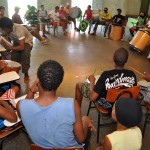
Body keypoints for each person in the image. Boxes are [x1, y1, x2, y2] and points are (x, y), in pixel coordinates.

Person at [16, 60, 95, 148]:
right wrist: (85, 121)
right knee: (85, 121)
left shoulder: (20, 105)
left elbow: (27, 105)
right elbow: (80, 139)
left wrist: (32, 90)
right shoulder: (72, 104)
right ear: (59, 82)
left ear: (38, 80)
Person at [0, 17, 33, 81]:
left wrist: (9, 47)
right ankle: (15, 72)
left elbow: (22, 47)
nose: (3, 30)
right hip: (17, 41)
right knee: (14, 57)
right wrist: (4, 42)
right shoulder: (8, 29)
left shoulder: (19, 29)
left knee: (25, 55)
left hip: (27, 42)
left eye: (4, 29)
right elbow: (10, 40)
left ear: (9, 28)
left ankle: (26, 73)